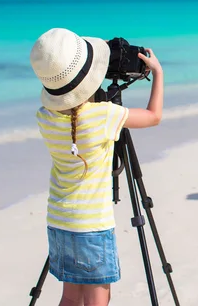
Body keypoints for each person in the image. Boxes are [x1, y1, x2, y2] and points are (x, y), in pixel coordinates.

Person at [29, 28, 164, 306]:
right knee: (96, 300)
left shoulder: (44, 116)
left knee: (70, 296)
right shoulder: (104, 116)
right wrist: (158, 74)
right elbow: (153, 117)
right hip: (91, 225)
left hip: (59, 220)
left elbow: (74, 105)